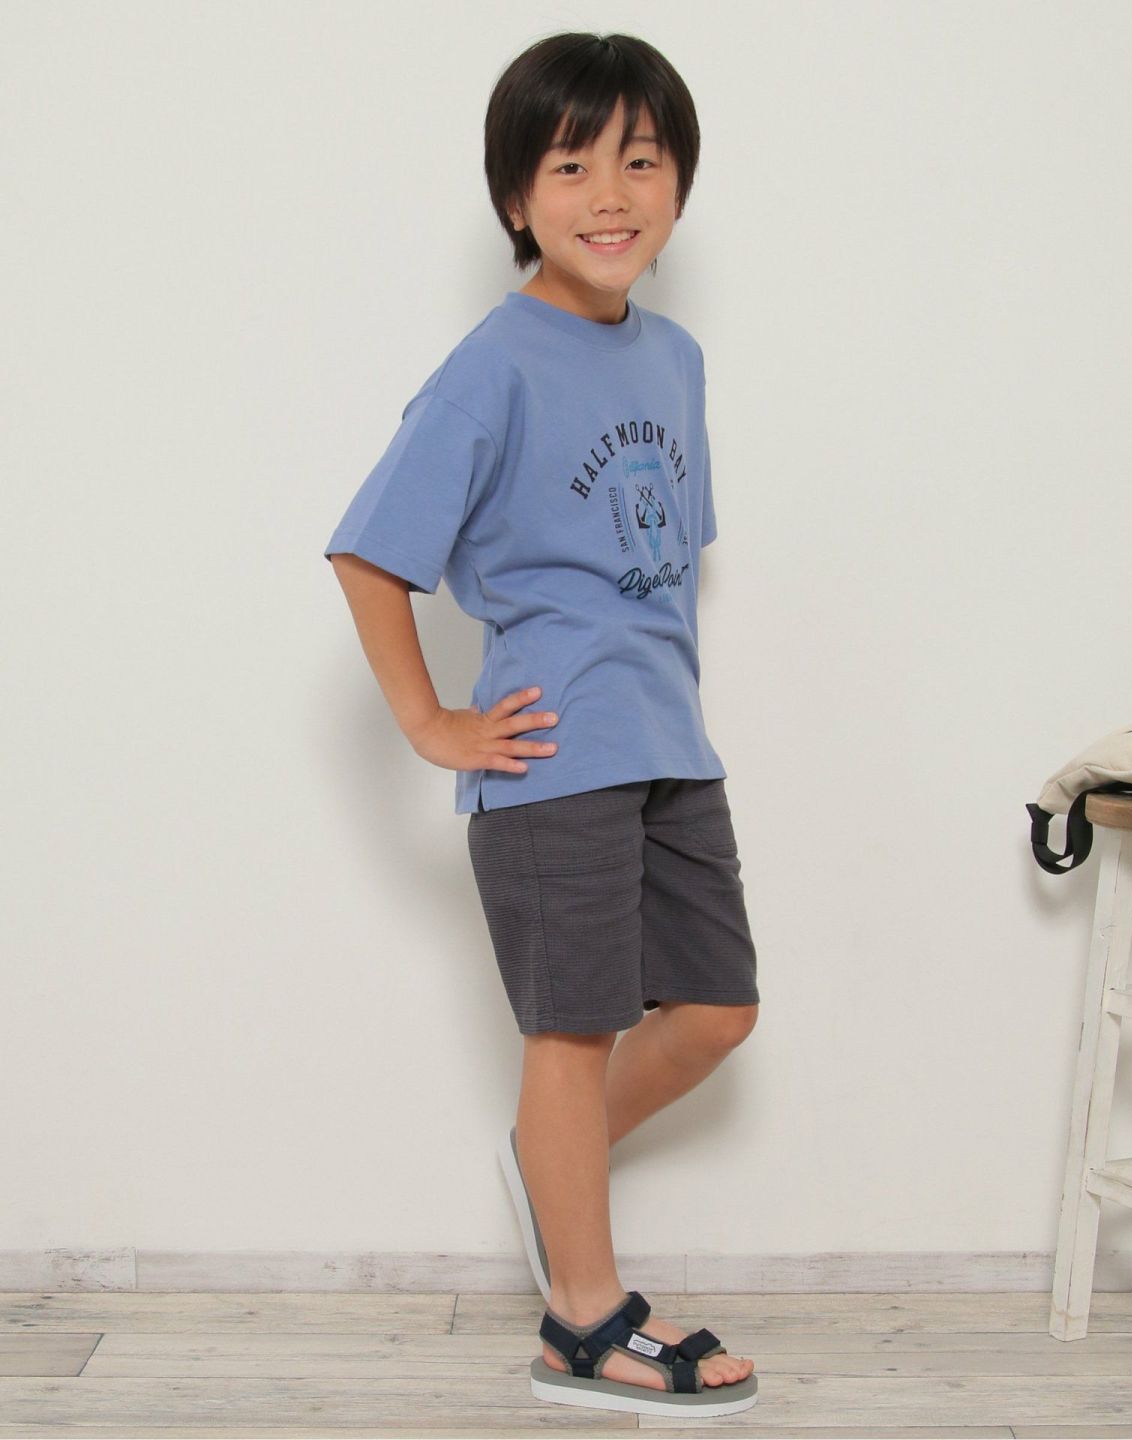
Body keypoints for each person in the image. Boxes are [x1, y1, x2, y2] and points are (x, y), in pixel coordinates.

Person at [324, 31, 760, 1418]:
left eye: (640, 160)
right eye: (571, 167)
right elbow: (369, 552)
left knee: (718, 1011)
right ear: (517, 198)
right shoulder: (491, 367)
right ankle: (583, 1323)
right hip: (553, 757)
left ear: (679, 183)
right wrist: (432, 723)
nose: (610, 194)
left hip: (671, 745)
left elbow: (661, 563)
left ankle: (545, 1160)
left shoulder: (676, 359)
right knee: (572, 1032)